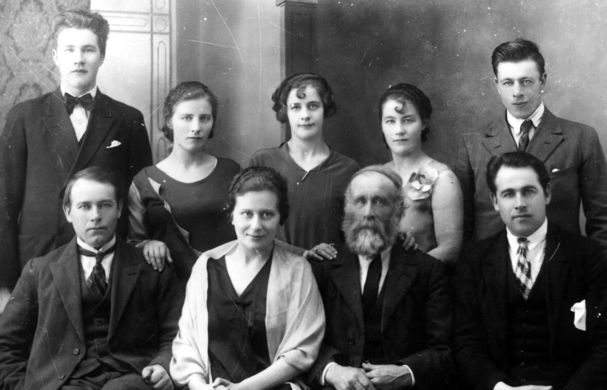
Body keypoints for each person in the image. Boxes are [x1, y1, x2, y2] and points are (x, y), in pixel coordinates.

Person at [0, 167, 182, 390]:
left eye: (104, 205)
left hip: (135, 384)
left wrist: (164, 365)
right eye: (85, 206)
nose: (95, 215)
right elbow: (6, 347)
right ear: (68, 212)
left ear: (119, 209)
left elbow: (178, 333)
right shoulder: (39, 271)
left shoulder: (151, 267)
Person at [453, 152, 607, 390]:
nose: (519, 203)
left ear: (546, 193)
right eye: (508, 194)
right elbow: (466, 343)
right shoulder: (474, 260)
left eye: (528, 191)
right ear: (494, 201)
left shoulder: (586, 255)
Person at [170, 166, 325, 390]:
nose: (256, 225)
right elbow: (186, 342)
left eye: (267, 214)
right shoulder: (206, 266)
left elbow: (301, 352)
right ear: (232, 215)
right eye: (247, 214)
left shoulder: (297, 270)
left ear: (281, 218)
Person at [0, 9, 153, 311]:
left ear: (102, 55)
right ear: (56, 56)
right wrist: (4, 284)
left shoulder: (128, 119)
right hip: (39, 260)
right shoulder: (24, 117)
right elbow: (4, 204)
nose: (79, 59)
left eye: (88, 50)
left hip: (107, 261)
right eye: (69, 49)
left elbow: (141, 201)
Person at [308, 165, 453, 390]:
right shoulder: (323, 266)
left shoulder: (428, 271)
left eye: (380, 202)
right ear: (347, 208)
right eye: (360, 201)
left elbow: (445, 350)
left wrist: (405, 372)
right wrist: (332, 371)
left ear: (399, 209)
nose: (368, 212)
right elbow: (299, 341)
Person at [455, 38, 607, 263]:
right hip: (491, 274)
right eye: (507, 82)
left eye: (526, 81)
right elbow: (462, 223)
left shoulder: (580, 138)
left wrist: (596, 275)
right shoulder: (473, 144)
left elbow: (604, 218)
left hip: (561, 270)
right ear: (496, 85)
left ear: (542, 80)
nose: (517, 92)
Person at [128, 81, 241, 280]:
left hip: (229, 284)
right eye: (187, 118)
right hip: (171, 288)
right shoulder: (144, 181)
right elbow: (133, 242)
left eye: (204, 118)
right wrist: (148, 244)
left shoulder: (231, 171)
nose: (196, 128)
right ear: (170, 121)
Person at [248, 72, 359, 260]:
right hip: (274, 269)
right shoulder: (263, 162)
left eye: (313, 106)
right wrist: (302, 253)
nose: (305, 115)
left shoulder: (348, 169)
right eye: (296, 107)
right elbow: (249, 227)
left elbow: (355, 236)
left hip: (327, 271)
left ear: (325, 109)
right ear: (285, 111)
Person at [381, 83, 463, 265]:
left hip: (421, 278)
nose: (399, 130)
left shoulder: (442, 178)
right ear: (382, 126)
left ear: (424, 124)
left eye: (408, 120)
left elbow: (450, 249)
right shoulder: (377, 176)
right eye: (390, 121)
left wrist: (405, 274)